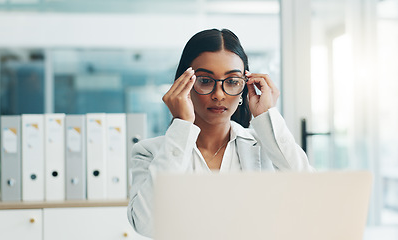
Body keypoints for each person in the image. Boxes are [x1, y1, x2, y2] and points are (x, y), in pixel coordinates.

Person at [127, 28, 313, 238]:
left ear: (245, 86)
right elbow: (145, 225)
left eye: (232, 81)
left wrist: (267, 118)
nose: (218, 94)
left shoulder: (266, 148)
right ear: (184, 85)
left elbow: (309, 198)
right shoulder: (149, 152)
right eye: (205, 81)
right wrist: (181, 125)